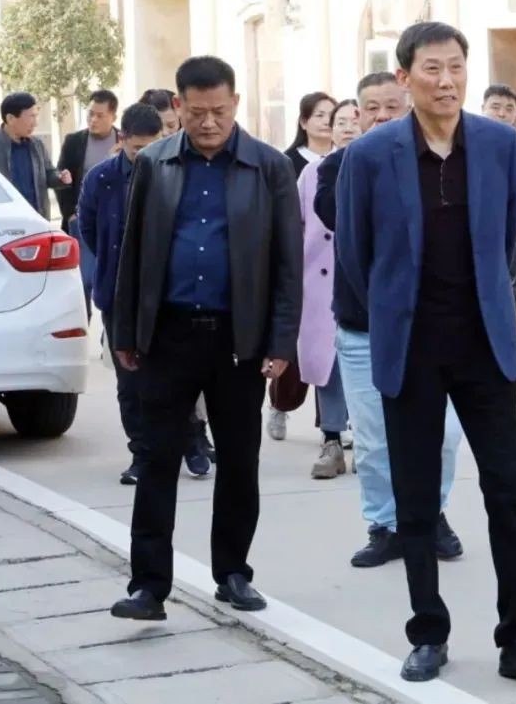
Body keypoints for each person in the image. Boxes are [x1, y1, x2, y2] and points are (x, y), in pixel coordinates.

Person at [337, 22, 516, 684]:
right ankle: (427, 632)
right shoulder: (370, 155)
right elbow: (356, 254)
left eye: (456, 66)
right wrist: (398, 308)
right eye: (431, 69)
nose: (446, 80)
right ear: (404, 78)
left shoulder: (499, 145)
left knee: (506, 492)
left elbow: (508, 236)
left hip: (484, 344)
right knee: (414, 499)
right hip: (410, 346)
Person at [109, 55, 302, 621]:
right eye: (197, 112)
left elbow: (287, 264)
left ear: (235, 103)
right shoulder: (156, 164)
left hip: (239, 339)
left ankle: (233, 573)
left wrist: (281, 342)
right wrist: (126, 330)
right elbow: (133, 253)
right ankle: (148, 586)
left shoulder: (269, 168)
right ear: (178, 107)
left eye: (219, 110)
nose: (209, 122)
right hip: (168, 335)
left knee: (239, 459)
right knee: (156, 458)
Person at [317, 71, 465, 568]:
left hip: (435, 324)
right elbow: (338, 217)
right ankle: (385, 524)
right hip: (364, 325)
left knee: (444, 434)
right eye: (371, 109)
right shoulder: (338, 166)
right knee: (375, 437)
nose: (382, 117)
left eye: (391, 107)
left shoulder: (438, 161)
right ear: (357, 115)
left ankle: (431, 514)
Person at [76, 104, 162, 486]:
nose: (144, 155)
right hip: (119, 295)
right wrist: (115, 269)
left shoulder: (171, 172)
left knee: (170, 378)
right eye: (137, 148)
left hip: (165, 294)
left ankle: (185, 443)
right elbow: (89, 229)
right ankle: (142, 454)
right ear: (122, 139)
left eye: (152, 147)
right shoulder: (102, 178)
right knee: (129, 383)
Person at [266, 92, 339, 441]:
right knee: (299, 351)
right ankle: (280, 404)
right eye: (320, 115)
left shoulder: (345, 160)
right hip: (306, 269)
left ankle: (332, 427)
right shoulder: (288, 163)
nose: (327, 122)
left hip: (338, 271)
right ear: (304, 122)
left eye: (332, 116)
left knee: (334, 354)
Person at [295, 113, 358, 479]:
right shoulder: (313, 172)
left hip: (364, 278)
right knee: (327, 362)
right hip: (319, 279)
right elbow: (296, 225)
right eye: (341, 122)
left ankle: (366, 441)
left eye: (355, 121)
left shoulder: (380, 164)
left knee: (368, 361)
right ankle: (331, 439)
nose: (348, 128)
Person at [481, 84, 516, 341]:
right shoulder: (467, 141)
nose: (502, 113)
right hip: (474, 228)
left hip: (510, 229)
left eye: (509, 108)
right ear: (483, 108)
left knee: (507, 278)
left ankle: (500, 331)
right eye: (495, 107)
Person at [56, 89, 120, 320]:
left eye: (100, 115)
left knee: (114, 279)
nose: (93, 120)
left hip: (115, 222)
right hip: (82, 221)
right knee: (83, 280)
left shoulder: (124, 141)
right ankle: (83, 323)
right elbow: (62, 179)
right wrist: (70, 215)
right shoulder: (74, 142)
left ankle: (110, 331)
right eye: (90, 114)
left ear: (113, 116)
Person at [0, 92, 71, 220]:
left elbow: (48, 173)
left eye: (36, 116)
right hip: (3, 222)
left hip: (36, 219)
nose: (35, 123)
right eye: (31, 116)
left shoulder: (37, 145)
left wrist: (60, 178)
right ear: (10, 118)